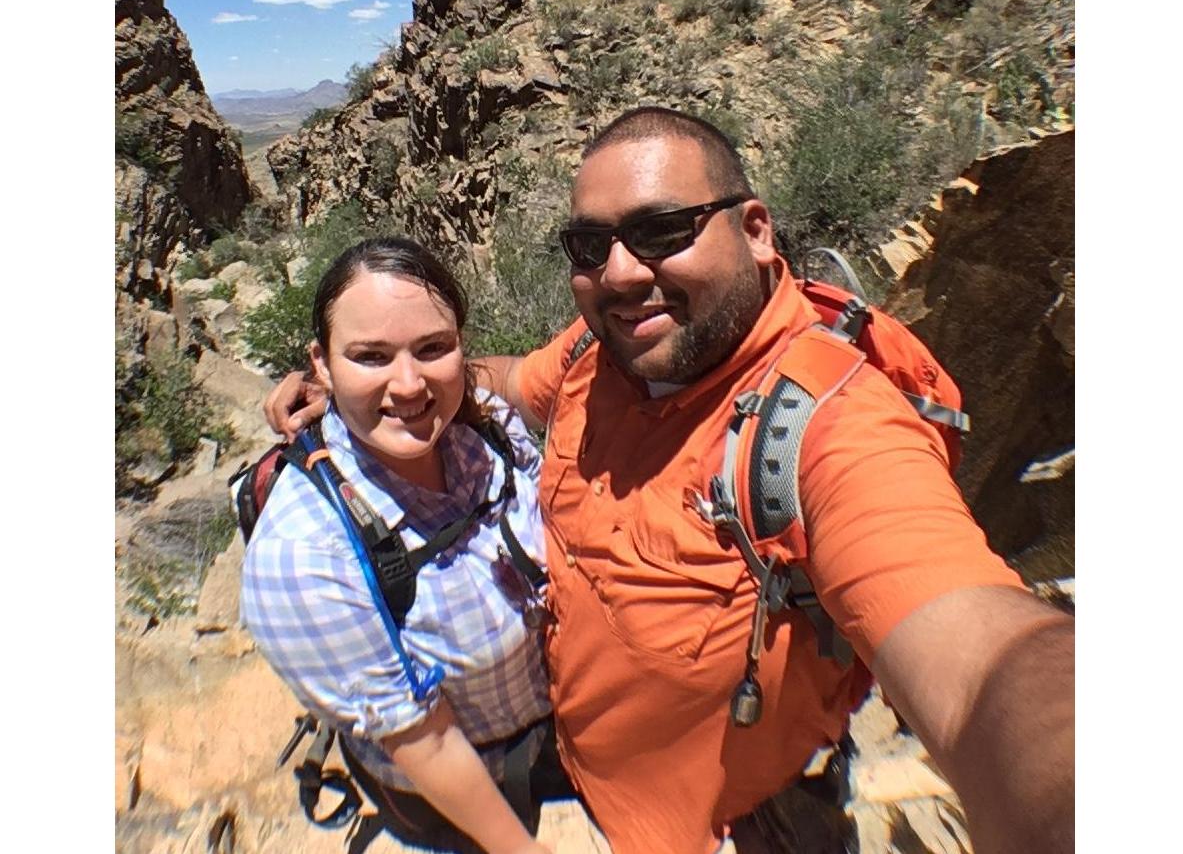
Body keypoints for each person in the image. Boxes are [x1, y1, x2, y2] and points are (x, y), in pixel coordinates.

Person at [268, 108, 1074, 854]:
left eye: (661, 230)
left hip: (739, 814)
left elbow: (978, 663)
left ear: (754, 229)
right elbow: (509, 378)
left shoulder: (832, 428)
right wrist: (387, 385)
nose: (620, 273)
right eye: (590, 247)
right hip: (590, 780)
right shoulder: (604, 351)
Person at [241, 236, 563, 854]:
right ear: (322, 364)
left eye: (433, 348)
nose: (410, 384)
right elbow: (425, 740)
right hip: (452, 796)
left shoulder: (483, 423)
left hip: (554, 733)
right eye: (370, 356)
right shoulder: (305, 552)